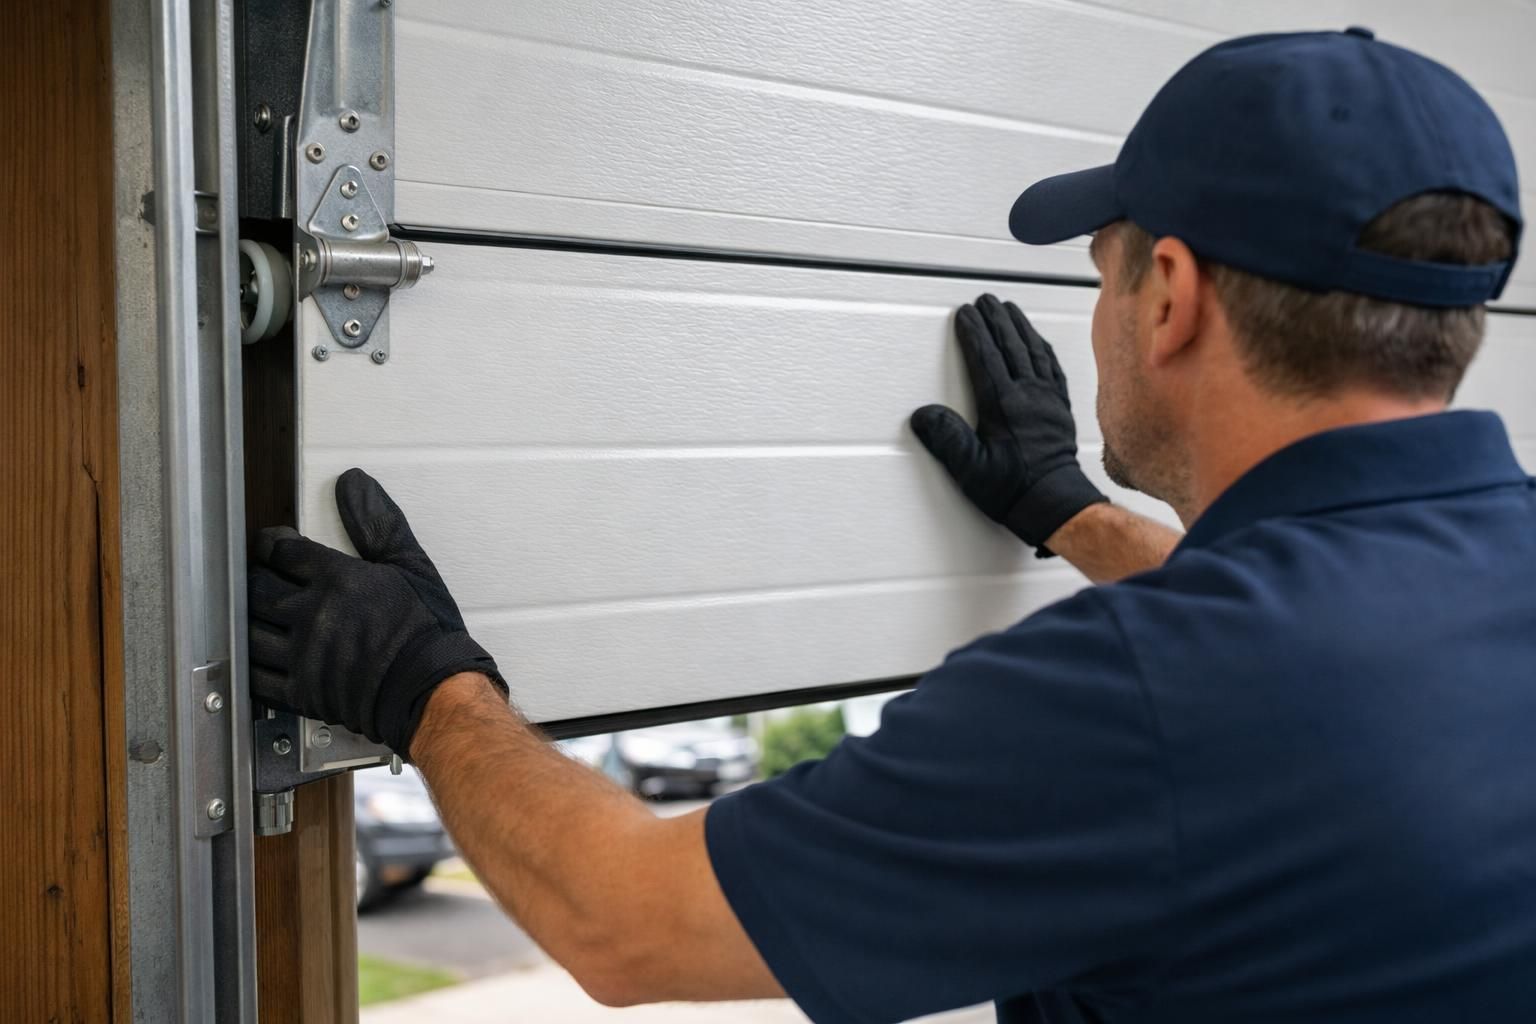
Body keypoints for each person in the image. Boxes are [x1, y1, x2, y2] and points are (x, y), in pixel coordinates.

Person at [248, 28, 1533, 1024]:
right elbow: (1326, 641)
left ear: (1172, 297)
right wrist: (1075, 516)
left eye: (1103, 271)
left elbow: (626, 923)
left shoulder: (1143, 701)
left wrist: (429, 689)